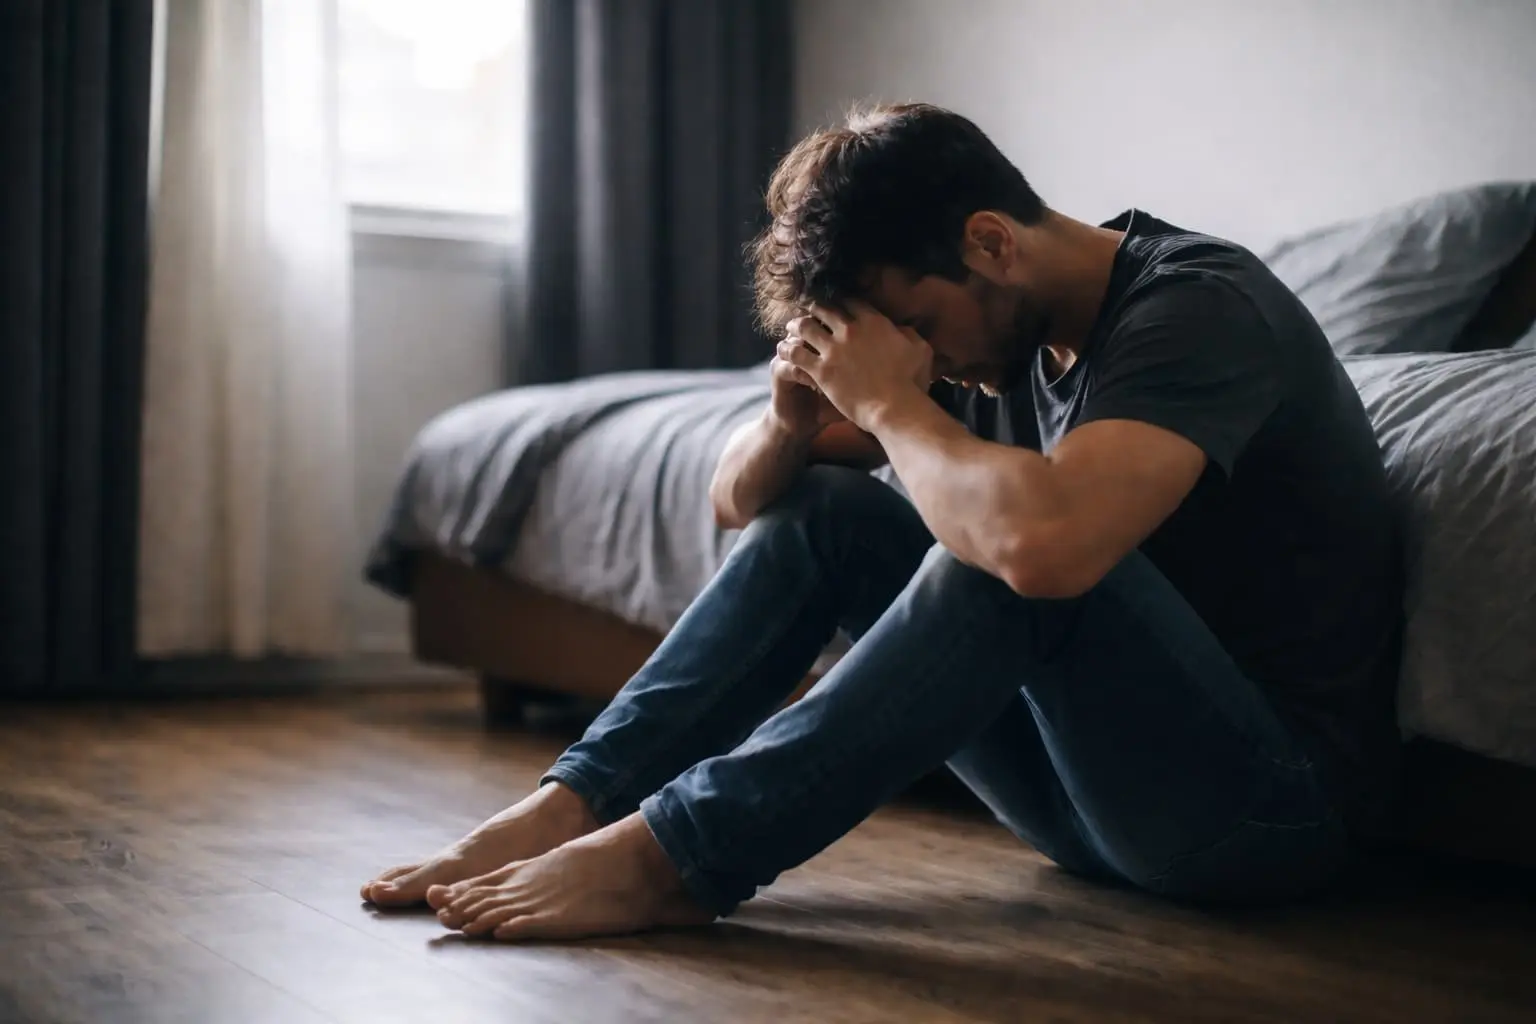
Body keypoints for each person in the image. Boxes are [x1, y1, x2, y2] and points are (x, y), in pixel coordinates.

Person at [361, 103, 1403, 942]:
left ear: (990, 243)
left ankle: (676, 857)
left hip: (1266, 812)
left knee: (1003, 545)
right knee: (828, 508)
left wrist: (897, 406)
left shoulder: (1200, 309)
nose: (932, 362)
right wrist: (792, 416)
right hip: (1087, 807)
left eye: (925, 329)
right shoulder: (996, 333)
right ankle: (569, 805)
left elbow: (1045, 547)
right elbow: (741, 503)